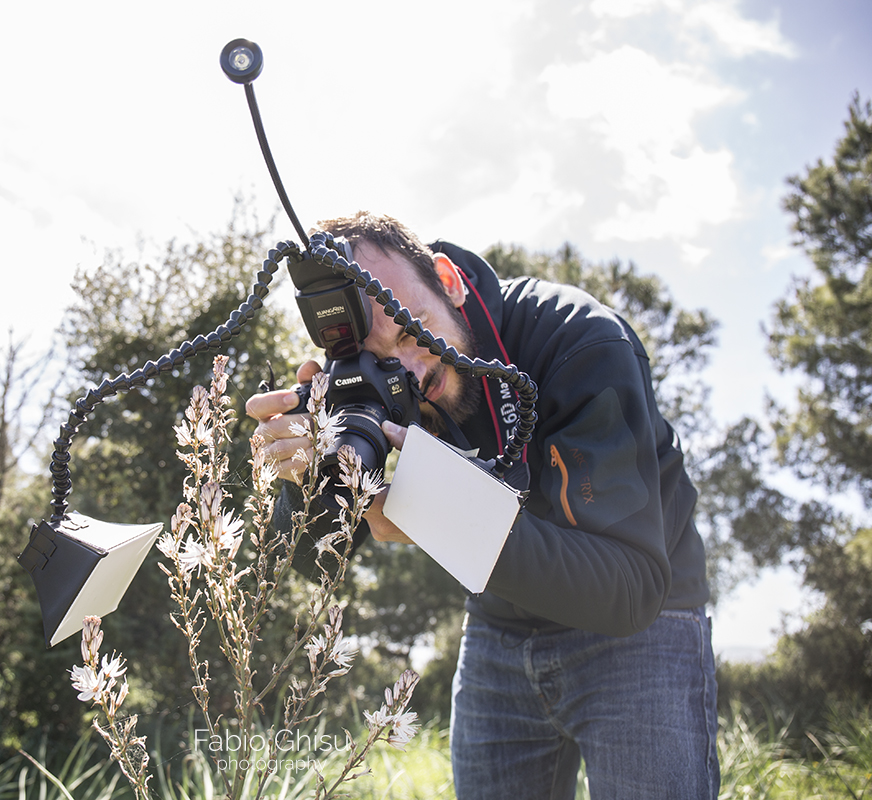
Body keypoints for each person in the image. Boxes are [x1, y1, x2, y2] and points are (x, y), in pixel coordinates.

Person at [245, 212, 719, 800]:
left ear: (448, 279)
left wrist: (440, 514)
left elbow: (630, 589)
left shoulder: (578, 340)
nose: (413, 373)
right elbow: (320, 558)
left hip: (644, 631)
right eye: (383, 359)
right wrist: (309, 474)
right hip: (499, 628)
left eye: (413, 331)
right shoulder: (374, 377)